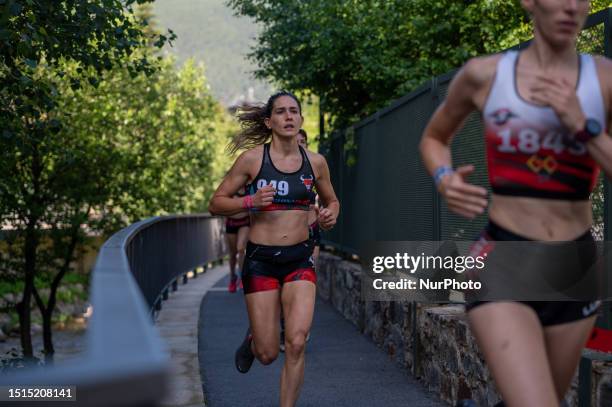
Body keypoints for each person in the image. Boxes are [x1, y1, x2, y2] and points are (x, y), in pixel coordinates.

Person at [420, 1, 612, 406]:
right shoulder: (485, 75)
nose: (571, 7)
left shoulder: (604, 80)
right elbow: (435, 138)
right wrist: (444, 178)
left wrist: (583, 124)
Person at [208, 91, 340, 407]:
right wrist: (249, 202)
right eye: (280, 112)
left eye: (294, 111)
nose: (289, 116)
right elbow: (216, 202)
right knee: (268, 354)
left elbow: (332, 200)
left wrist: (330, 215)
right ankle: (256, 338)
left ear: (300, 119)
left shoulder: (316, 162)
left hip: (300, 259)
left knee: (296, 343)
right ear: (269, 122)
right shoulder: (253, 160)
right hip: (261, 262)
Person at [224, 187, 250, 293]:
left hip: (244, 223)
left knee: (241, 248)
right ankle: (232, 277)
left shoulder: (249, 188)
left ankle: (242, 277)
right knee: (233, 253)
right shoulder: (231, 190)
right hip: (231, 223)